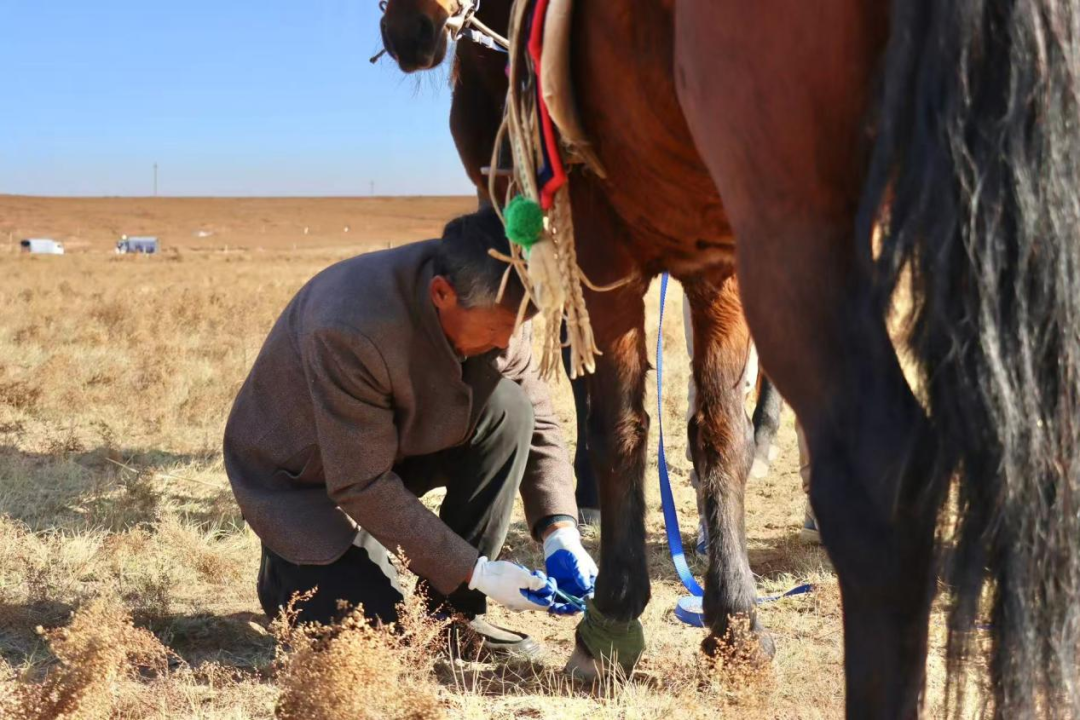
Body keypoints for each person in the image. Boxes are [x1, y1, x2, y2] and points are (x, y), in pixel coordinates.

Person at [223, 207, 598, 659]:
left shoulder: (502, 297)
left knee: (510, 411)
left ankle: (451, 612)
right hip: (303, 480)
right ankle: (289, 566)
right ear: (441, 293)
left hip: (394, 445)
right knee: (381, 637)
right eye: (496, 327)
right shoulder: (349, 327)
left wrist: (560, 530)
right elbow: (361, 483)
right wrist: (477, 571)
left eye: (515, 327)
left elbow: (538, 419)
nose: (505, 341)